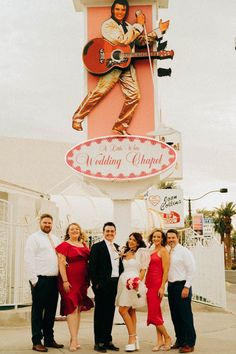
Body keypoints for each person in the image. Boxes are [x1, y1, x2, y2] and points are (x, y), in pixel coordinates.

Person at [72, 0, 169, 135]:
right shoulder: (107, 25)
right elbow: (122, 40)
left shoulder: (129, 26)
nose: (120, 12)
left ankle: (120, 126)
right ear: (113, 10)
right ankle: (77, 117)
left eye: (123, 10)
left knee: (134, 95)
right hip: (111, 64)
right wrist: (139, 25)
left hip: (126, 65)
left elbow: (140, 41)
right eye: (117, 9)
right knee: (99, 92)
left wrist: (159, 31)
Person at [24, 214, 64, 353]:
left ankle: (49, 338)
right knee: (38, 311)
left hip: (54, 280)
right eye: (45, 222)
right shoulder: (33, 238)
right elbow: (28, 259)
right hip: (40, 280)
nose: (47, 225)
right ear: (40, 223)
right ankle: (36, 341)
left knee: (51, 311)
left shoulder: (55, 239)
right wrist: (34, 280)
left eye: (49, 223)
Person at [55, 223, 94, 351]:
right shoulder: (64, 245)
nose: (75, 231)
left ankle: (74, 338)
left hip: (82, 280)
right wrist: (65, 281)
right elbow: (61, 264)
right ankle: (74, 340)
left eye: (77, 229)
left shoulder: (83, 245)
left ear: (80, 231)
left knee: (77, 309)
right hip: (69, 281)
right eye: (72, 229)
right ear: (68, 232)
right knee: (71, 307)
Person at [89, 222, 123, 353]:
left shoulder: (118, 248)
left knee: (110, 313)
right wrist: (96, 284)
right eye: (107, 231)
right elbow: (92, 267)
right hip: (102, 285)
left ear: (115, 233)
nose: (110, 233)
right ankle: (99, 342)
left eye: (112, 231)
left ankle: (108, 340)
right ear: (103, 232)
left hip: (115, 284)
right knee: (100, 314)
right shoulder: (97, 247)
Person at [115, 232, 150, 352]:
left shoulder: (142, 253)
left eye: (134, 240)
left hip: (134, 282)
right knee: (130, 310)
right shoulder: (124, 252)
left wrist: (137, 282)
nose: (131, 241)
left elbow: (143, 270)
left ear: (138, 242)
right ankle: (135, 338)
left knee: (122, 310)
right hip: (123, 282)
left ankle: (131, 338)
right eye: (129, 239)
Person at [166, 229, 196, 353]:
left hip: (182, 286)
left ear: (177, 238)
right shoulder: (168, 251)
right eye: (169, 238)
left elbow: (192, 270)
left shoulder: (184, 252)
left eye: (173, 237)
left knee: (185, 316)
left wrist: (186, 287)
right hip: (171, 287)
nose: (171, 240)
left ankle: (189, 343)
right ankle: (180, 340)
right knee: (175, 316)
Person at [145, 229, 172, 351]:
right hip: (148, 283)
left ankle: (167, 337)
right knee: (156, 313)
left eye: (158, 237)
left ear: (162, 239)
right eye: (154, 236)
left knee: (153, 313)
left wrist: (162, 286)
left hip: (157, 285)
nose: (156, 238)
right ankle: (159, 340)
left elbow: (166, 270)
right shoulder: (151, 250)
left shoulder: (163, 251)